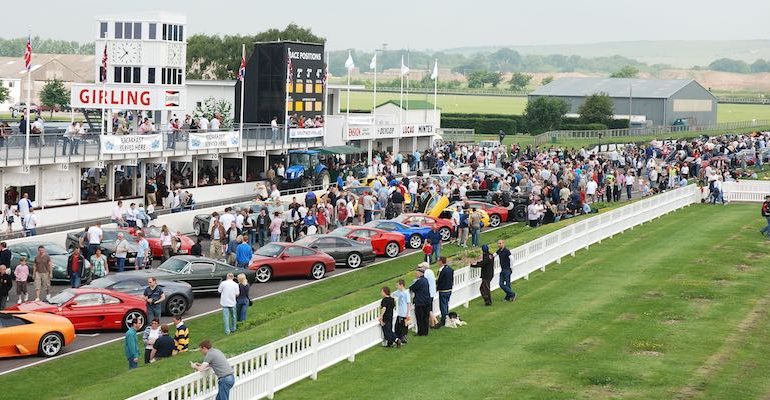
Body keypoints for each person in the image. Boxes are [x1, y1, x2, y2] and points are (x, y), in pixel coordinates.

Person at [409, 265, 431, 336]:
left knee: (420, 318)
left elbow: (412, 288)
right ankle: (425, 332)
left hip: (420, 302)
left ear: (420, 273)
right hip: (427, 301)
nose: (416, 274)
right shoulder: (425, 280)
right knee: (425, 317)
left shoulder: (420, 281)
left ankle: (421, 332)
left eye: (417, 273)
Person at [436, 257, 454, 326]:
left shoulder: (441, 270)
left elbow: (438, 280)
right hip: (449, 289)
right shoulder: (450, 269)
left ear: (441, 262)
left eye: (438, 261)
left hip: (443, 290)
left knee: (443, 305)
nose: (437, 263)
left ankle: (444, 319)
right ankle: (446, 317)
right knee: (446, 304)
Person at [392, 279, 411, 344]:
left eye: (397, 285)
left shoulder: (406, 293)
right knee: (397, 326)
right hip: (400, 313)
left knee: (404, 327)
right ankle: (398, 338)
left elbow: (408, 303)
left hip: (405, 313)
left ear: (401, 285)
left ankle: (403, 338)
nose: (396, 286)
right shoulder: (398, 292)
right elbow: (393, 294)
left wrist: (407, 313)